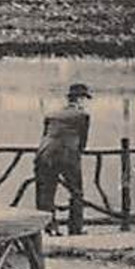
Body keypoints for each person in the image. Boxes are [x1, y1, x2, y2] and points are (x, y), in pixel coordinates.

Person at [35, 82, 91, 235]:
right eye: (84, 98)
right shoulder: (83, 115)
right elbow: (83, 141)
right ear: (80, 99)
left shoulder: (51, 114)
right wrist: (78, 154)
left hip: (44, 154)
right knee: (76, 192)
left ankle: (49, 228)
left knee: (46, 192)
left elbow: (45, 135)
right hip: (68, 155)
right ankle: (75, 229)